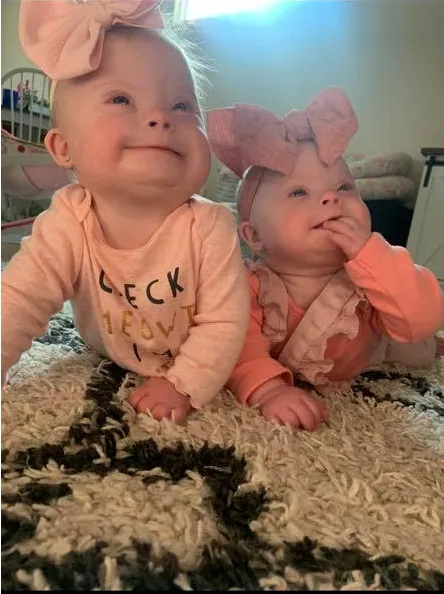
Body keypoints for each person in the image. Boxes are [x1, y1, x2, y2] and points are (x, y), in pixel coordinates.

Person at [1, 0, 249, 424]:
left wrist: (182, 383)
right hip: (105, 350)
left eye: (182, 106)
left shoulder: (210, 226)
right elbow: (21, 296)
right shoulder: (70, 219)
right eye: (121, 99)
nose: (160, 118)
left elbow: (225, 322)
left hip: (186, 357)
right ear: (64, 148)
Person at [207, 87, 444, 431]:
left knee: (416, 349)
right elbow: (236, 344)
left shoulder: (370, 276)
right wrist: (269, 390)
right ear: (254, 236)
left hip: (377, 348)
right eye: (299, 192)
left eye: (344, 187)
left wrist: (372, 255)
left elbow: (422, 318)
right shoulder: (250, 286)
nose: (331, 199)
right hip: (285, 366)